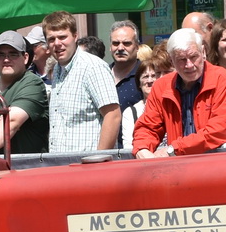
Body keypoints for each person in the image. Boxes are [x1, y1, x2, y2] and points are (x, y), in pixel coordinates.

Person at [132, 28, 226, 159]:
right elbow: (147, 127)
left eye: (193, 57)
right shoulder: (161, 87)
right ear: (172, 60)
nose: (189, 65)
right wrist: (142, 149)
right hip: (181, 167)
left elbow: (219, 131)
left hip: (224, 165)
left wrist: (174, 149)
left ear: (203, 52)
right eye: (181, 59)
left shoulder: (222, 79)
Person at [42, 10, 120, 152]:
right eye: (51, 39)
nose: (57, 43)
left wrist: (99, 158)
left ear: (75, 36)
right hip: (61, 165)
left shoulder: (92, 67)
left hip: (89, 167)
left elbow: (113, 115)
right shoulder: (58, 69)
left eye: (62, 37)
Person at [0, 31, 50, 156]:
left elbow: (12, 122)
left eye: (13, 54)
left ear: (25, 58)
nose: (6, 59)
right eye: (1, 55)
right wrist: (0, 132)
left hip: (25, 165)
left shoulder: (32, 82)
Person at [120, 53, 169, 151]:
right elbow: (128, 147)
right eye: (145, 76)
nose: (150, 80)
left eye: (154, 76)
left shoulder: (170, 106)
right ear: (139, 83)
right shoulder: (130, 113)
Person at [108, 20, 144, 112]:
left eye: (126, 43)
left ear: (137, 47)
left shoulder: (146, 75)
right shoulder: (101, 74)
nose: (120, 48)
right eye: (115, 43)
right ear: (110, 47)